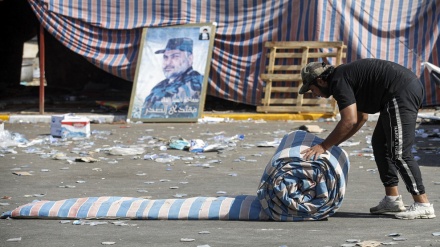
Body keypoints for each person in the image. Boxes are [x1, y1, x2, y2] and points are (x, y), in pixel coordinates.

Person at [299, 58, 435, 220]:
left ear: (320, 81)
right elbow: (360, 117)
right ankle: (392, 199)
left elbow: (349, 121)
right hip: (396, 93)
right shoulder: (342, 78)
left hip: (400, 92)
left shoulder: (338, 81)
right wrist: (333, 145)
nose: (314, 94)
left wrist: (324, 146)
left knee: (399, 152)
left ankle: (423, 204)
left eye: (312, 89)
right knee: (380, 144)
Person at [141, 37, 203, 119]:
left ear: (190, 59)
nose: (168, 63)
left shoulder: (197, 81)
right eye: (165, 57)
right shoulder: (160, 86)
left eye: (175, 57)